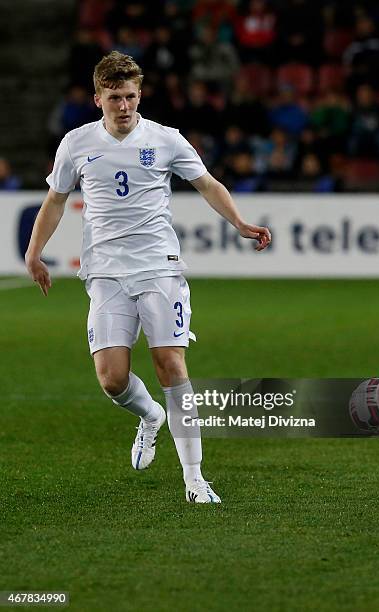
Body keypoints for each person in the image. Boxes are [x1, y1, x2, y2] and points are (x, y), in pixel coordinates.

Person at [25, 51, 271, 504]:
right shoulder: (76, 144)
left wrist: (239, 223)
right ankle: (150, 416)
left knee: (171, 365)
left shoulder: (166, 139)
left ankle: (195, 480)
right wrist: (35, 251)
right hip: (104, 273)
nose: (125, 107)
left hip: (159, 267)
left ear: (141, 96)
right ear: (97, 98)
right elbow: (55, 200)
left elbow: (209, 184)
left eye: (132, 97)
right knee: (112, 380)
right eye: (115, 97)